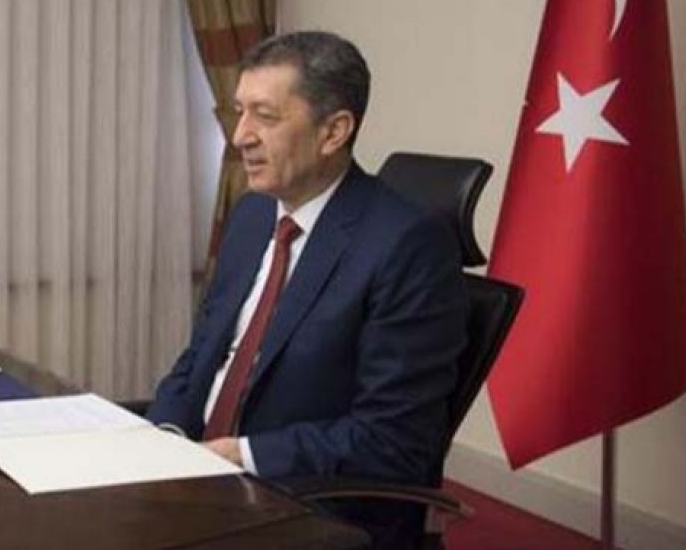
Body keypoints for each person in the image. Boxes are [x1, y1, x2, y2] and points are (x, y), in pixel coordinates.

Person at [146, 31, 467, 548]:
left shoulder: (408, 245)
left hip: (302, 506)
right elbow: (200, 358)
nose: (240, 136)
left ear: (333, 131)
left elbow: (394, 440)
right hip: (200, 481)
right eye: (240, 112)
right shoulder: (252, 215)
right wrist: (164, 436)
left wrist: (240, 454)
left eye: (265, 116)